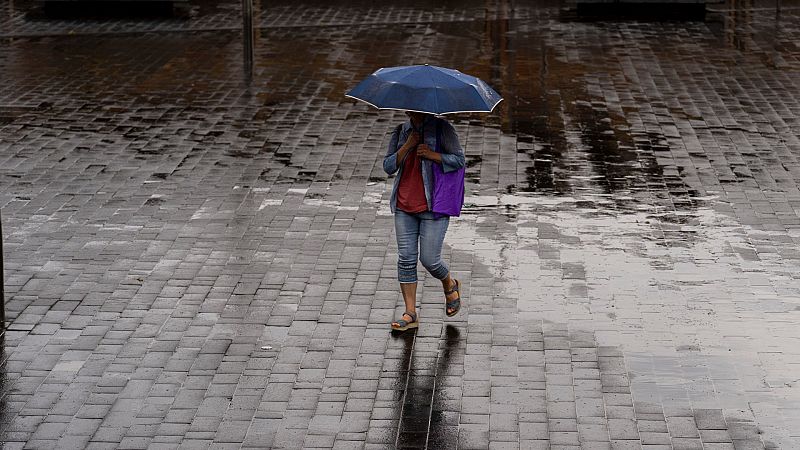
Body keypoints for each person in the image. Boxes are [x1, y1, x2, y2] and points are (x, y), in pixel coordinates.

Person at [383, 111, 466, 331]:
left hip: (434, 206)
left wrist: (433, 155)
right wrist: (408, 145)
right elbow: (388, 166)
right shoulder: (402, 131)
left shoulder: (443, 129)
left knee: (430, 260)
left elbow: (459, 160)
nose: (411, 110)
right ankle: (410, 313)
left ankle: (449, 283)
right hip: (404, 205)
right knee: (406, 259)